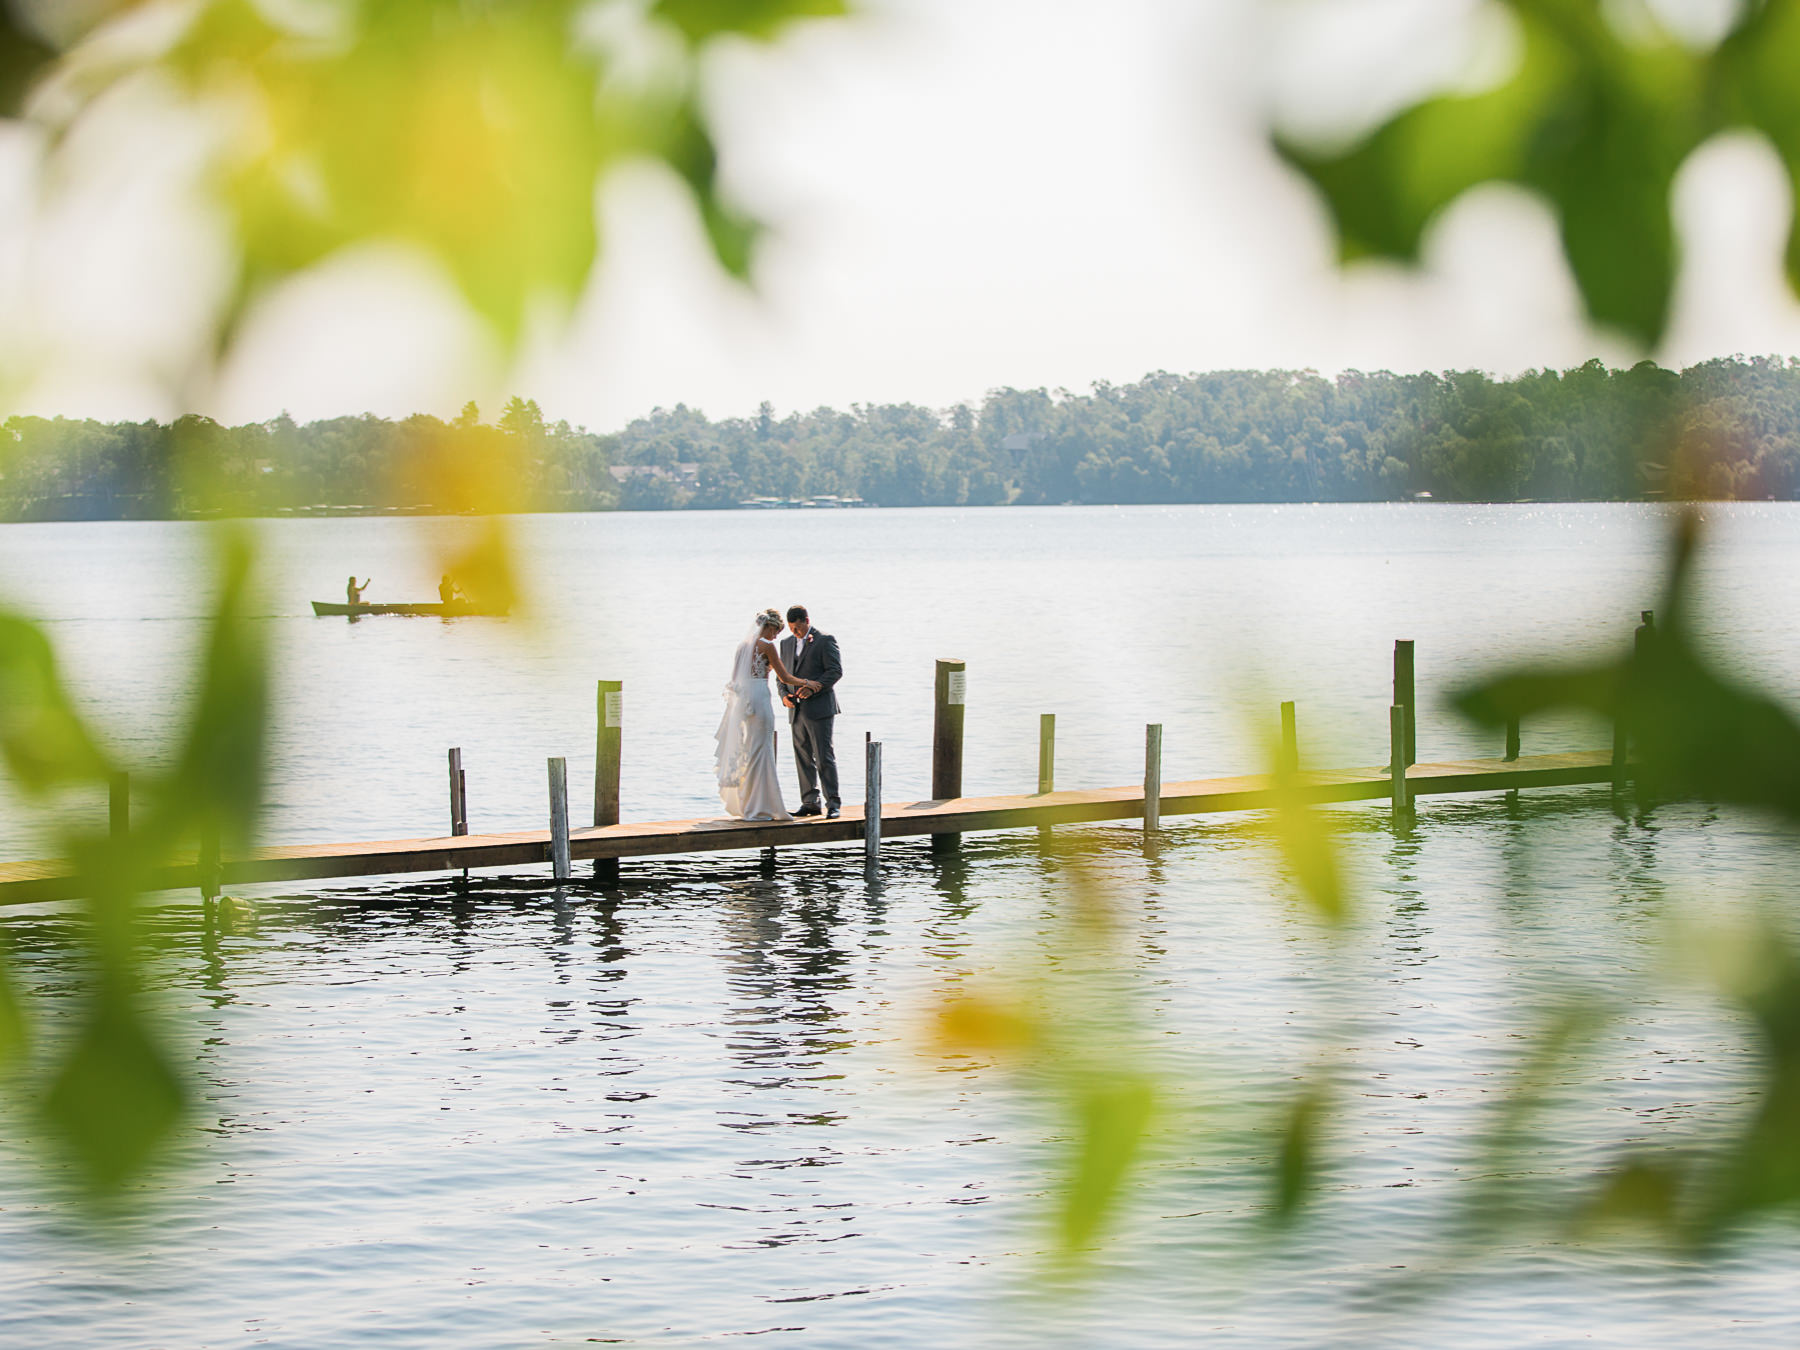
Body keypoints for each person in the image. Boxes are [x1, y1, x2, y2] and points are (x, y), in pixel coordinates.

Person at [716, 609, 819, 821]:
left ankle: (749, 804)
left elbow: (736, 678)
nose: (777, 636)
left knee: (750, 751)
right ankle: (761, 807)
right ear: (769, 626)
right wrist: (808, 683)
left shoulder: (742, 646)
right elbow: (785, 676)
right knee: (761, 752)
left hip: (744, 701)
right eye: (776, 631)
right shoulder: (767, 646)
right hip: (760, 699)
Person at [779, 605, 843, 818]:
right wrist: (783, 696)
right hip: (795, 711)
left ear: (806, 620)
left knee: (824, 756)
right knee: (803, 757)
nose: (795, 632)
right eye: (791, 629)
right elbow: (782, 676)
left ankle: (833, 803)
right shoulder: (785, 644)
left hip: (820, 708)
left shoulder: (825, 640)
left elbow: (835, 671)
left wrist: (813, 687)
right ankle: (810, 802)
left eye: (797, 628)